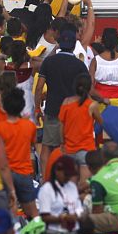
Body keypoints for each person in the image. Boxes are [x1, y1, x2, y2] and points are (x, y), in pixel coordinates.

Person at [35, 25, 88, 175]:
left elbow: (39, 87)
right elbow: (86, 89)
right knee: (69, 147)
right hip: (73, 113)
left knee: (47, 147)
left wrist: (37, 108)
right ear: (73, 46)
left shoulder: (48, 62)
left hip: (52, 110)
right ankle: (68, 177)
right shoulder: (79, 65)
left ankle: (45, 178)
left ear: (59, 44)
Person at [0, 88, 38, 219]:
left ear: (4, 108)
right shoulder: (30, 126)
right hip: (24, 173)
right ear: (22, 106)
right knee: (32, 211)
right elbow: (33, 144)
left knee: (9, 210)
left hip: (5, 174)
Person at [59, 73, 101, 184]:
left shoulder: (66, 102)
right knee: (84, 185)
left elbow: (61, 126)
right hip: (86, 149)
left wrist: (62, 143)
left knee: (69, 185)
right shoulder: (92, 105)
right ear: (89, 88)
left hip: (69, 149)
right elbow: (101, 122)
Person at [38, 155, 84, 234]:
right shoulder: (47, 189)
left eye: (70, 175)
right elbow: (44, 217)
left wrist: (76, 215)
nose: (68, 178)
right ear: (57, 171)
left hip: (74, 233)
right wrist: (62, 218)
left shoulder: (72, 187)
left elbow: (79, 208)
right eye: (66, 174)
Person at [90, 27, 118, 109]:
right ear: (117, 42)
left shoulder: (95, 60)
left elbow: (90, 84)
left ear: (102, 42)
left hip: (100, 100)